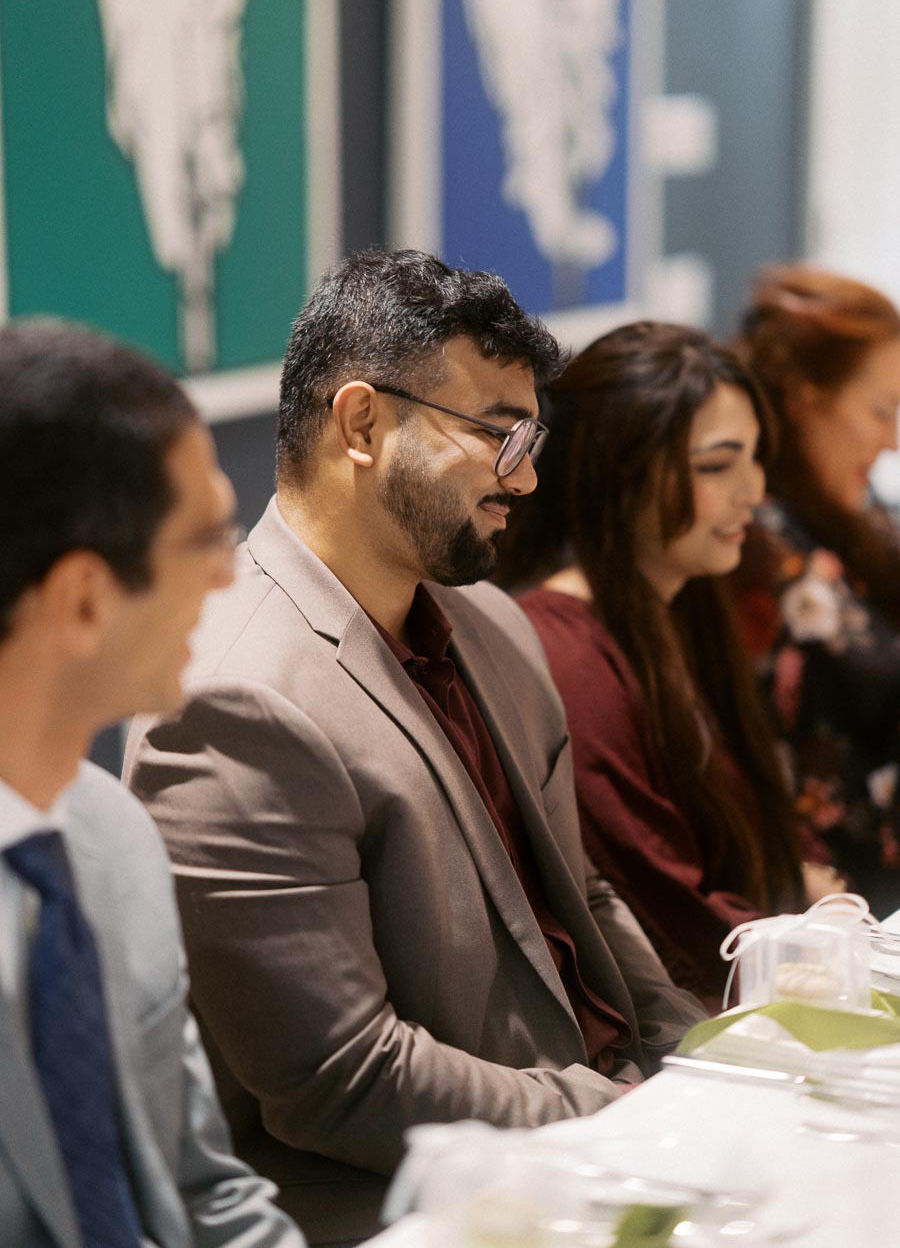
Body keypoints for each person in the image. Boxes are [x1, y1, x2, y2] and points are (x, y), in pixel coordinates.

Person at [123, 250, 706, 1247]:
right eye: (495, 434)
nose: (522, 477)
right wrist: (613, 1118)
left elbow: (588, 894)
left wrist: (698, 1059)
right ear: (362, 423)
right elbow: (342, 1081)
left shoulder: (490, 625)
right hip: (419, 1204)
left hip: (601, 1137)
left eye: (528, 438)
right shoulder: (233, 699)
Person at [0, 319, 305, 1247]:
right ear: (85, 599)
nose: (230, 573)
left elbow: (205, 1189)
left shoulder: (115, 840)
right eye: (205, 538)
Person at [495, 322, 834, 1011]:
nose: (754, 492)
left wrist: (816, 898)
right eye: (716, 466)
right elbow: (661, 902)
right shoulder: (565, 651)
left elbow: (761, 807)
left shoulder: (688, 604)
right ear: (621, 472)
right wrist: (812, 951)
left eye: (755, 459)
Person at [731, 263, 900, 916]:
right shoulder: (756, 541)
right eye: (879, 412)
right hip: (825, 909)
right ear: (805, 395)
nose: (890, 441)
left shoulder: (857, 514)